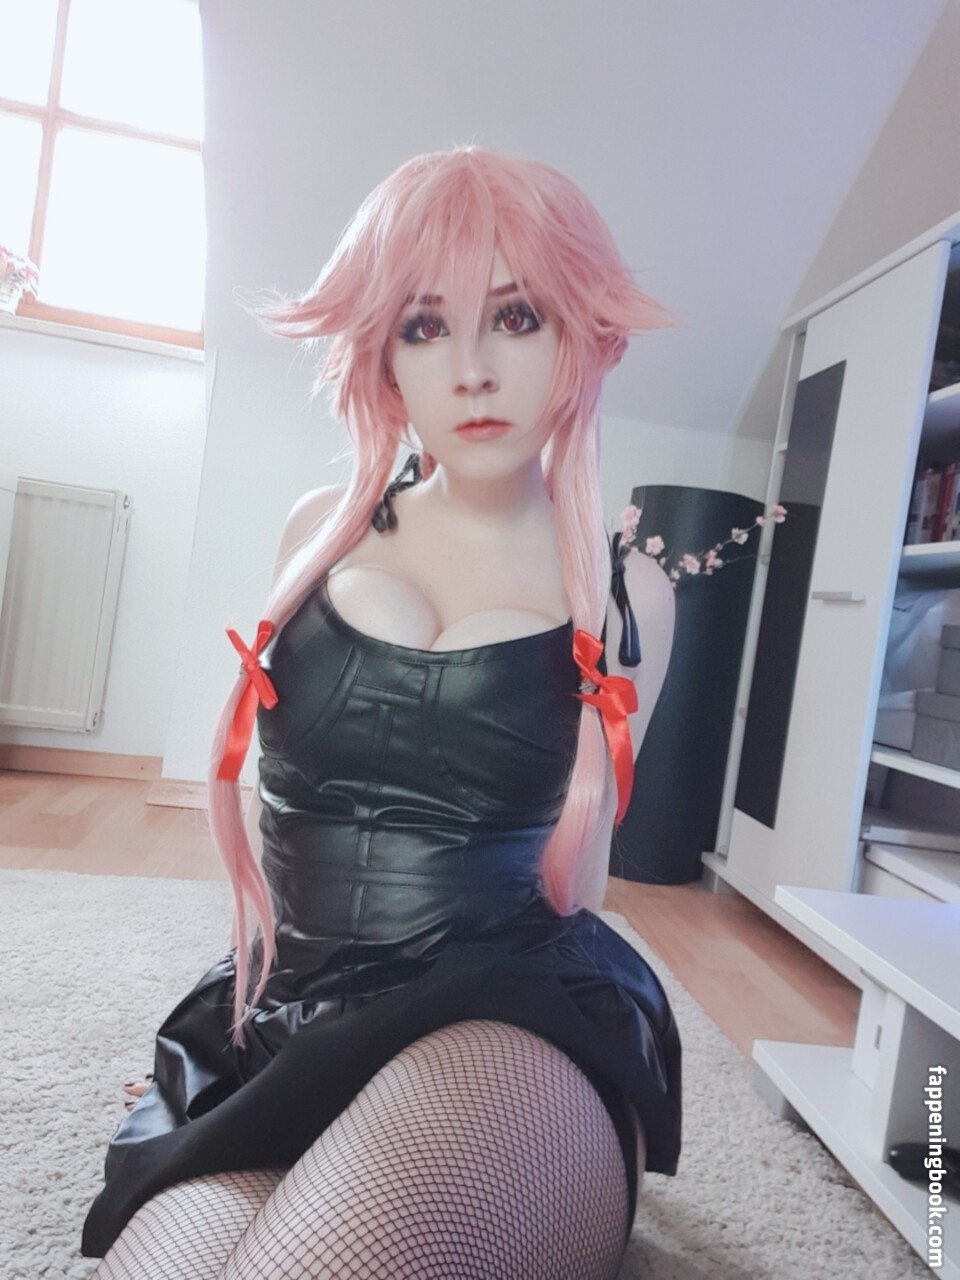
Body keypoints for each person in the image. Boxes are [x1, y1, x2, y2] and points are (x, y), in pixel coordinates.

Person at [83, 146, 681, 1279]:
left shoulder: (629, 590)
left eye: (515, 316)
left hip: (508, 1021)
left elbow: (582, 881)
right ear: (382, 353)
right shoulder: (319, 529)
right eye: (424, 325)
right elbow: (286, 814)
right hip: (293, 1011)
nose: (472, 370)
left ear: (581, 334)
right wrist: (231, 1021)